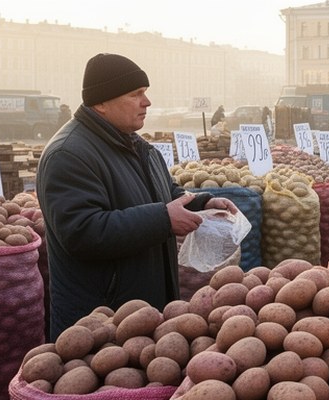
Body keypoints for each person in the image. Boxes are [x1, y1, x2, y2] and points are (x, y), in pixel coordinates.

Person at [37, 53, 238, 338]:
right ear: (102, 102)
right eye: (136, 94)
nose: (147, 102)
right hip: (99, 324)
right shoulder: (68, 154)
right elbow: (81, 232)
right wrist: (163, 220)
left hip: (142, 315)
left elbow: (166, 193)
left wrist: (203, 203)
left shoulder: (138, 146)